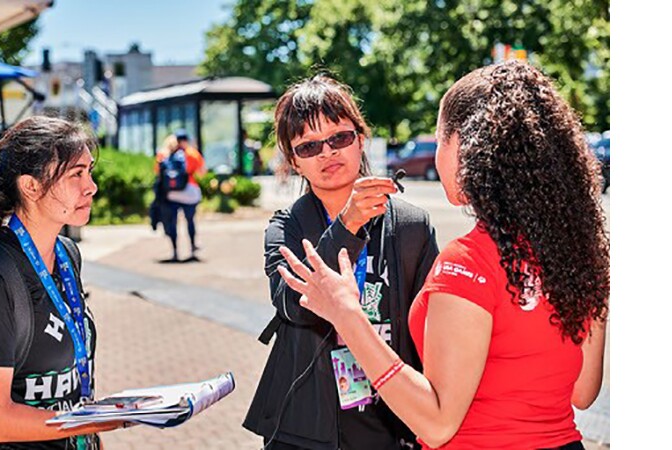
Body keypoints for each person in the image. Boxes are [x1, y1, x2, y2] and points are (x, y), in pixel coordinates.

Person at [276, 61, 610, 450]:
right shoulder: (578, 254)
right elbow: (583, 391)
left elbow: (436, 424)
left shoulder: (467, 264)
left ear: (464, 147)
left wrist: (347, 315)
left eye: (439, 141)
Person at [243, 74, 440, 450]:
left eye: (339, 138)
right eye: (308, 146)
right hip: (304, 426)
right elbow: (293, 304)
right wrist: (346, 225)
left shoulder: (411, 226)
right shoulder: (286, 226)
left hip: (390, 422)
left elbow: (430, 333)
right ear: (295, 162)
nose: (327, 152)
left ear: (360, 139)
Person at [0, 116, 123, 448]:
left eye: (90, 172)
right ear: (31, 186)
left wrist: (92, 430)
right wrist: (96, 419)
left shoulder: (67, 256)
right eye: (77, 174)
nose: (91, 186)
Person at [155, 130, 206, 261]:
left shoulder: (164, 153)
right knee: (190, 220)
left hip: (171, 193)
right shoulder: (192, 153)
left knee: (173, 223)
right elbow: (202, 172)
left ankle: (175, 252)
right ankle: (193, 248)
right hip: (189, 192)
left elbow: (157, 171)